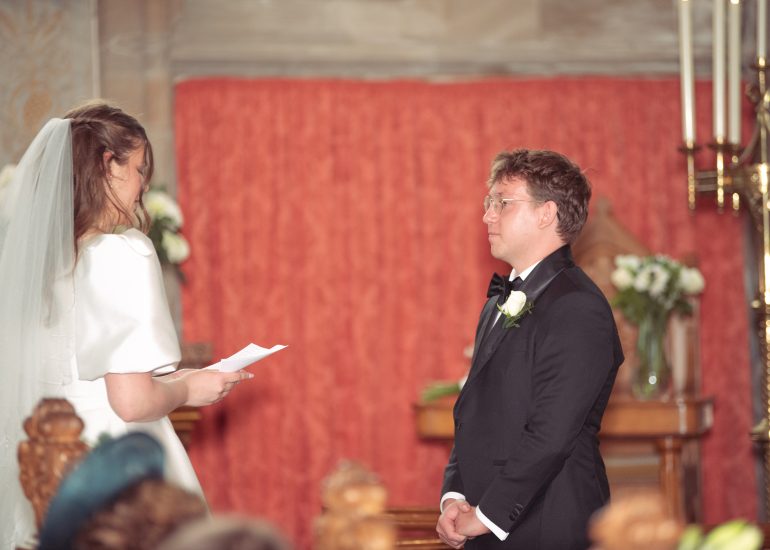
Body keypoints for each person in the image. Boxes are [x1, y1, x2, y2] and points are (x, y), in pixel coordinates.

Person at [0, 102, 252, 547]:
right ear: (107, 165)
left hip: (45, 472)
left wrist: (174, 379)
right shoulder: (120, 254)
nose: (143, 185)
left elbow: (79, 375)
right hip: (113, 468)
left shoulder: (34, 271)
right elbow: (132, 402)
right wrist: (191, 390)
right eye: (137, 168)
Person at [436, 149, 624, 549]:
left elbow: (551, 434)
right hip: (487, 521)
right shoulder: (497, 302)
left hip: (548, 523)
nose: (487, 216)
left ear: (546, 213)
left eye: (502, 203)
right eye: (488, 203)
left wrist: (486, 515)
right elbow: (474, 412)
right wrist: (455, 495)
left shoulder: (578, 307)